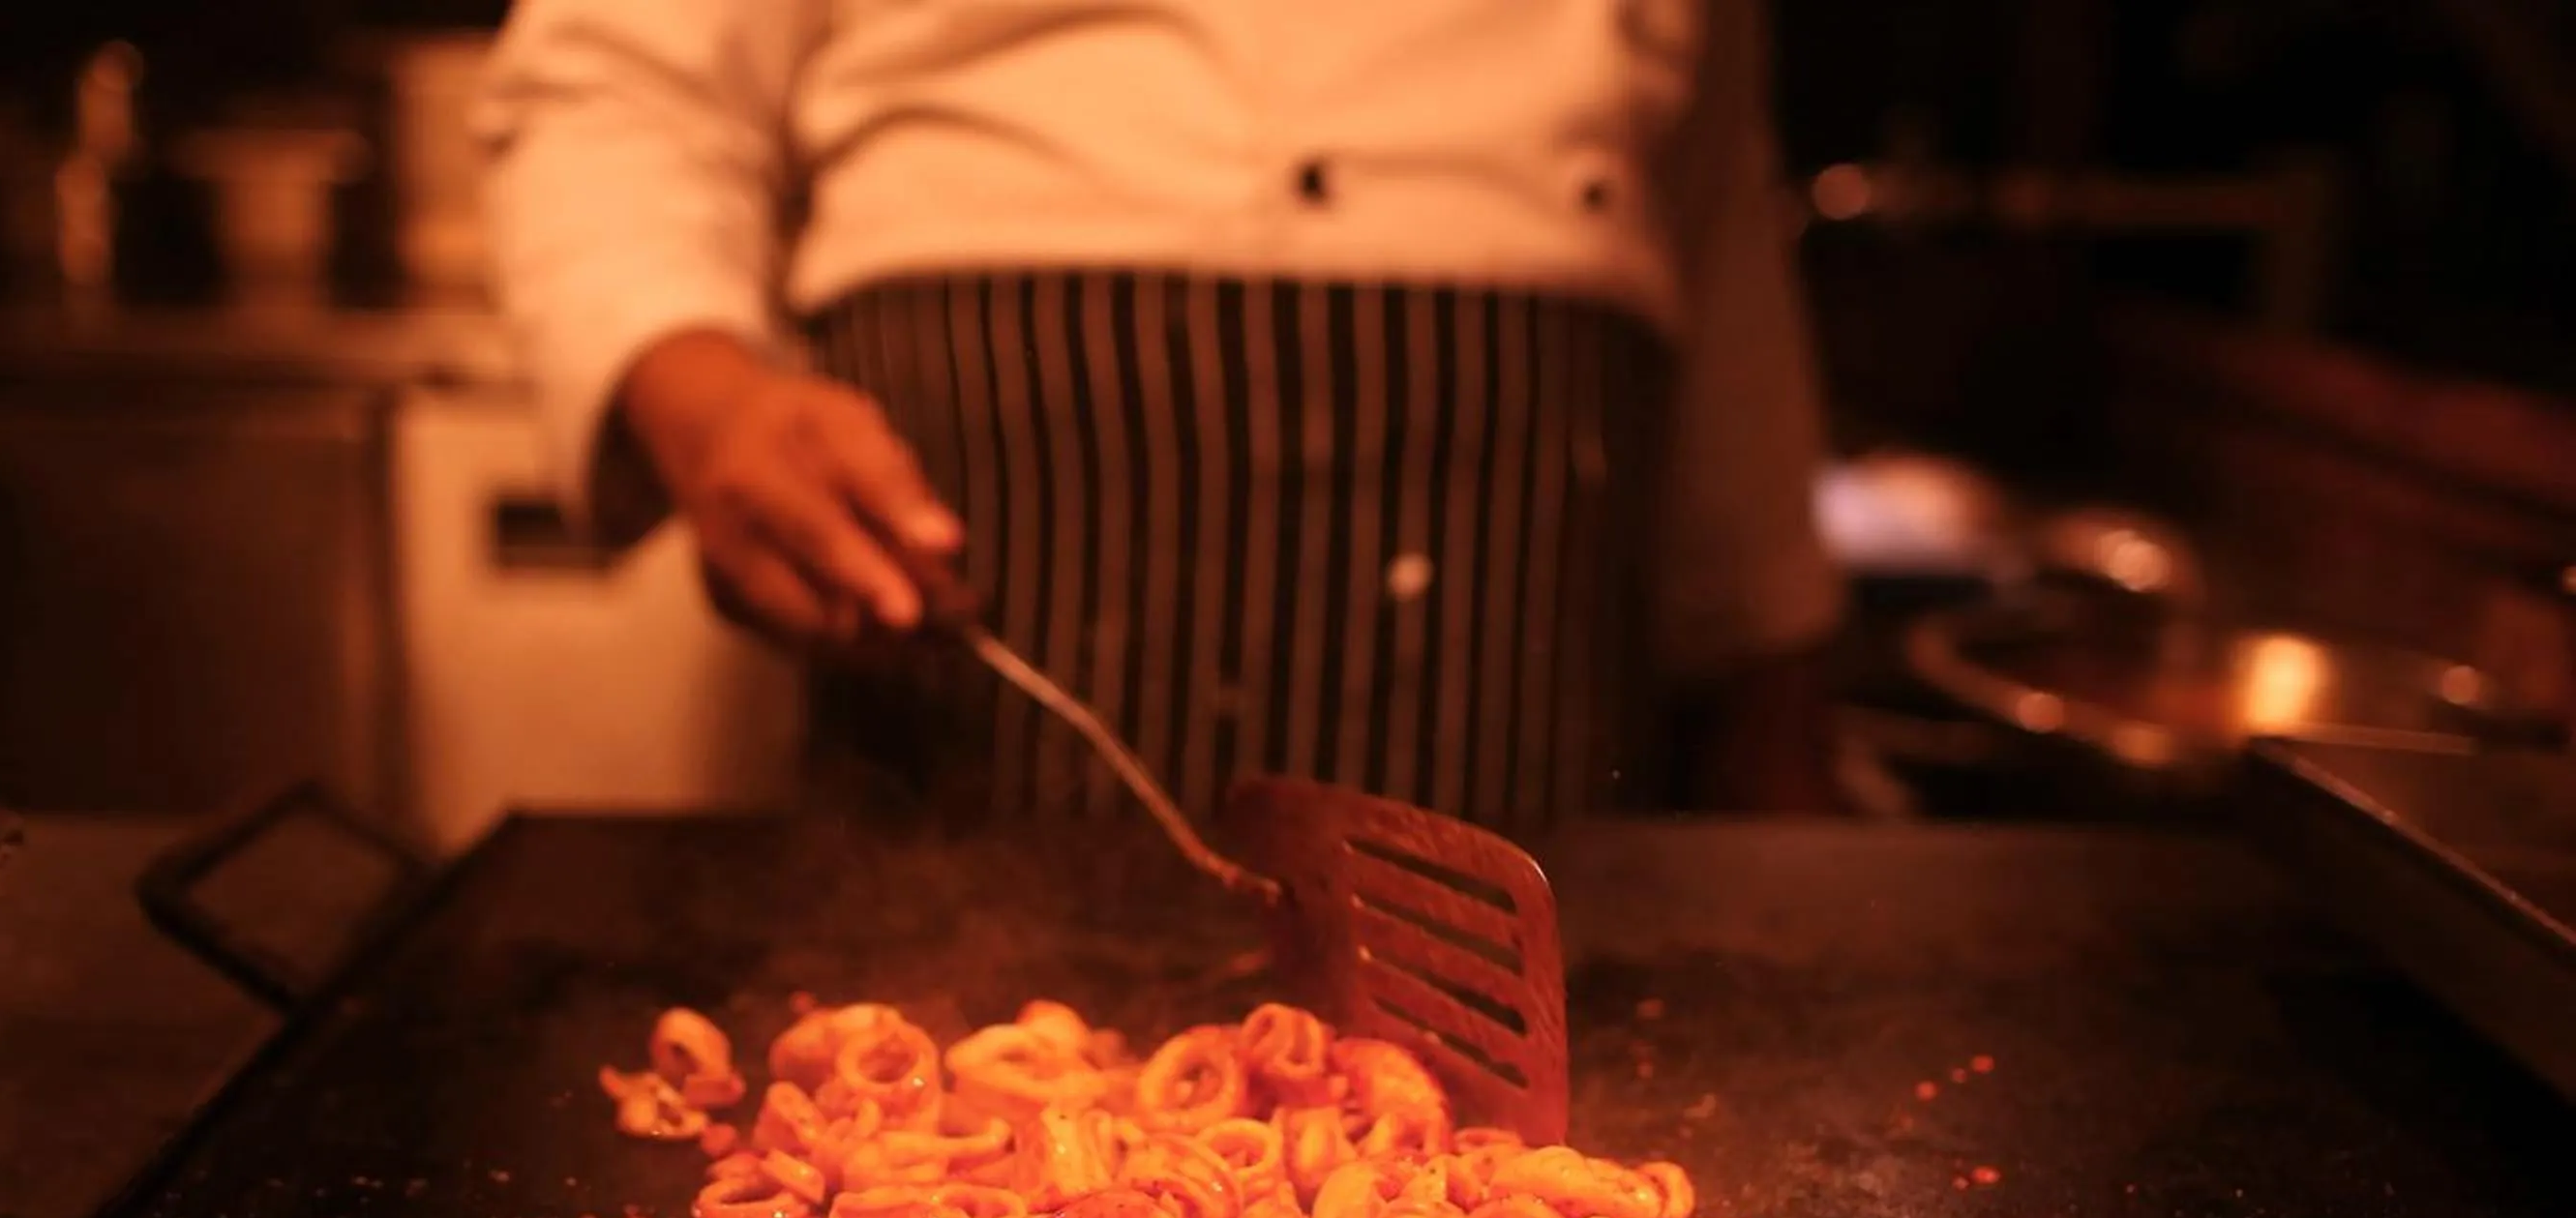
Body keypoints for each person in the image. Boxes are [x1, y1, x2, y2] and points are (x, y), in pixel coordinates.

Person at [476, 0, 1842, 824]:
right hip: (983, 520)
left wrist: (1768, 675)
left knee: (1545, 1142)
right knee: (937, 1017)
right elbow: (614, 85)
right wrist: (709, 400)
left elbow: (1718, 204)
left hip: (1526, 534)